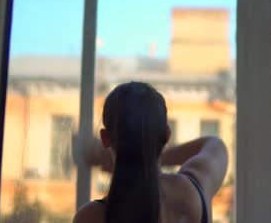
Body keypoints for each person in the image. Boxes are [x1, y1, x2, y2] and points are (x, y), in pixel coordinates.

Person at [73, 82, 228, 223]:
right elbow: (215, 145)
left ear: (105, 138)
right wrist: (149, 153)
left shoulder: (89, 217)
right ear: (166, 135)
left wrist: (126, 156)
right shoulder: (190, 195)